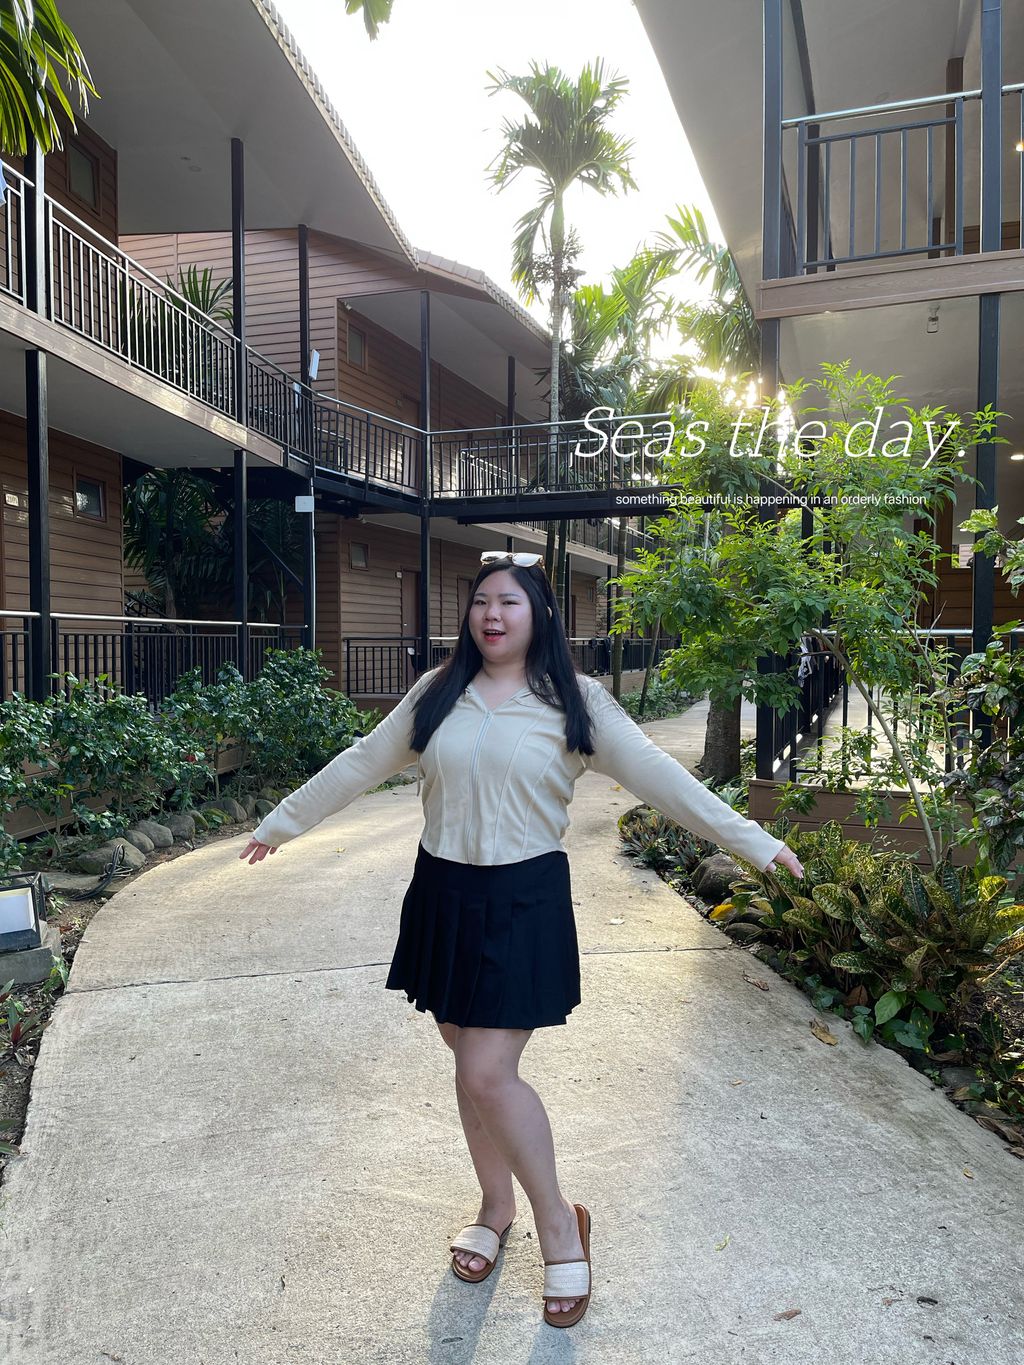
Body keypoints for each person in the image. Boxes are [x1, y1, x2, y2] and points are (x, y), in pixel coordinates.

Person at [238, 549, 803, 1330]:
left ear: (540, 614)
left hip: (522, 900)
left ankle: (561, 1223)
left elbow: (663, 781)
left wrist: (753, 842)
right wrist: (282, 821)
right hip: (443, 895)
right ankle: (494, 1205)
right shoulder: (438, 693)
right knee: (470, 1067)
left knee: (487, 1070)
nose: (491, 615)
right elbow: (362, 762)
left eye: (508, 601)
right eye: (481, 602)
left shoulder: (577, 702)